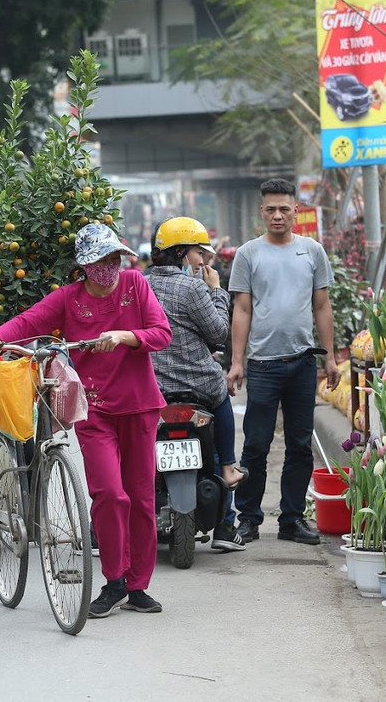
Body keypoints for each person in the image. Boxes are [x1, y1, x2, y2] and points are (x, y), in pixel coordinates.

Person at [0, 223, 172, 618]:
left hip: (140, 407)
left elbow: (160, 332)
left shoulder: (135, 285)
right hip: (93, 410)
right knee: (110, 494)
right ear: (84, 265)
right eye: (100, 261)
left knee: (142, 499)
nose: (109, 267)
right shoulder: (69, 299)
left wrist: (126, 336)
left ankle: (138, 585)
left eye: (114, 259)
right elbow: (28, 322)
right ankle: (114, 581)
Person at [227, 178, 340, 546]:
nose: (278, 215)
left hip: (303, 363)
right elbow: (242, 309)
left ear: (296, 211)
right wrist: (237, 361)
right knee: (256, 446)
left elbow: (321, 306)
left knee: (299, 444)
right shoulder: (248, 254)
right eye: (271, 209)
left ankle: (292, 519)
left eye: (284, 209)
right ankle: (249, 520)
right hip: (262, 365)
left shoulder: (311, 251)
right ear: (262, 212)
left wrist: (331, 358)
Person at [145, 217, 249, 552]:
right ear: (181, 254)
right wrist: (216, 290)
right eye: (197, 252)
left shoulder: (139, 284)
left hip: (152, 387)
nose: (202, 259)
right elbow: (219, 333)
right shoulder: (193, 288)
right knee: (221, 410)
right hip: (199, 386)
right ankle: (230, 473)